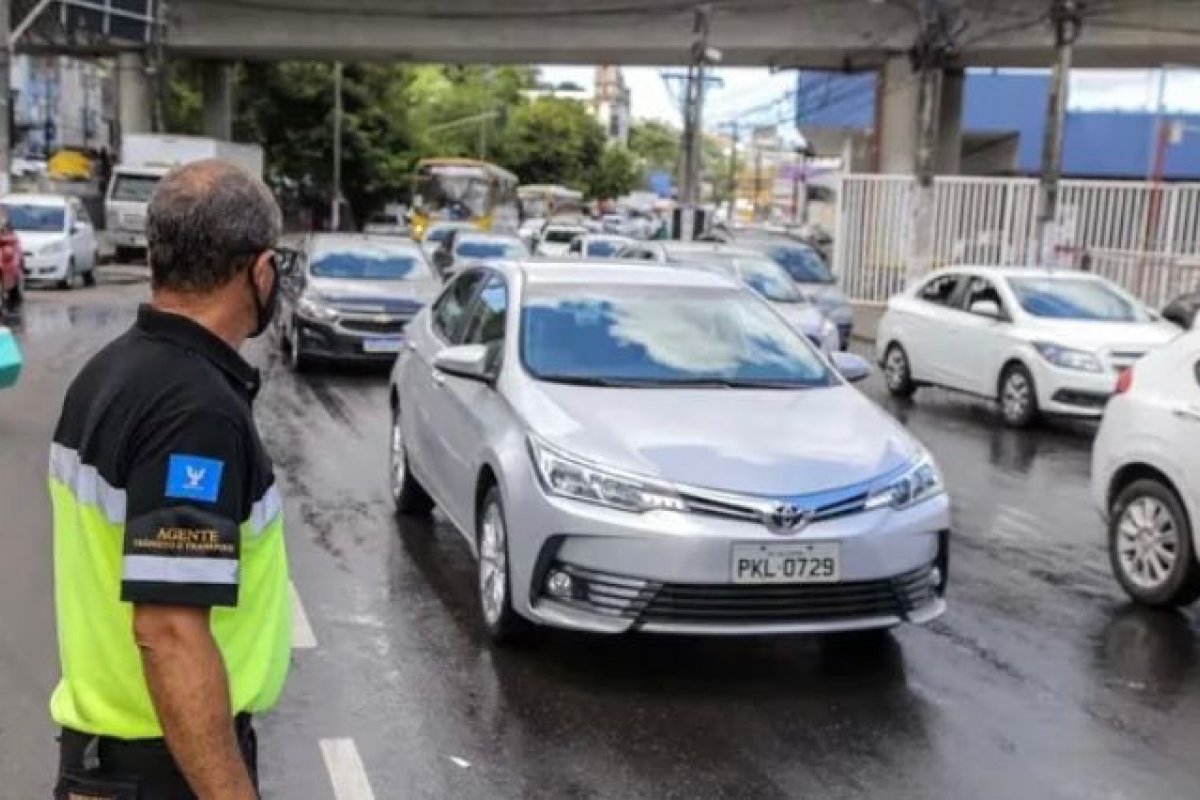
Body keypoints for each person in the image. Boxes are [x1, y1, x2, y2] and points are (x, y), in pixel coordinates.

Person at [48, 159, 291, 799]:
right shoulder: (194, 412)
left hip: (110, 761)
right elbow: (169, 632)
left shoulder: (111, 371)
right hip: (162, 767)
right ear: (259, 272)